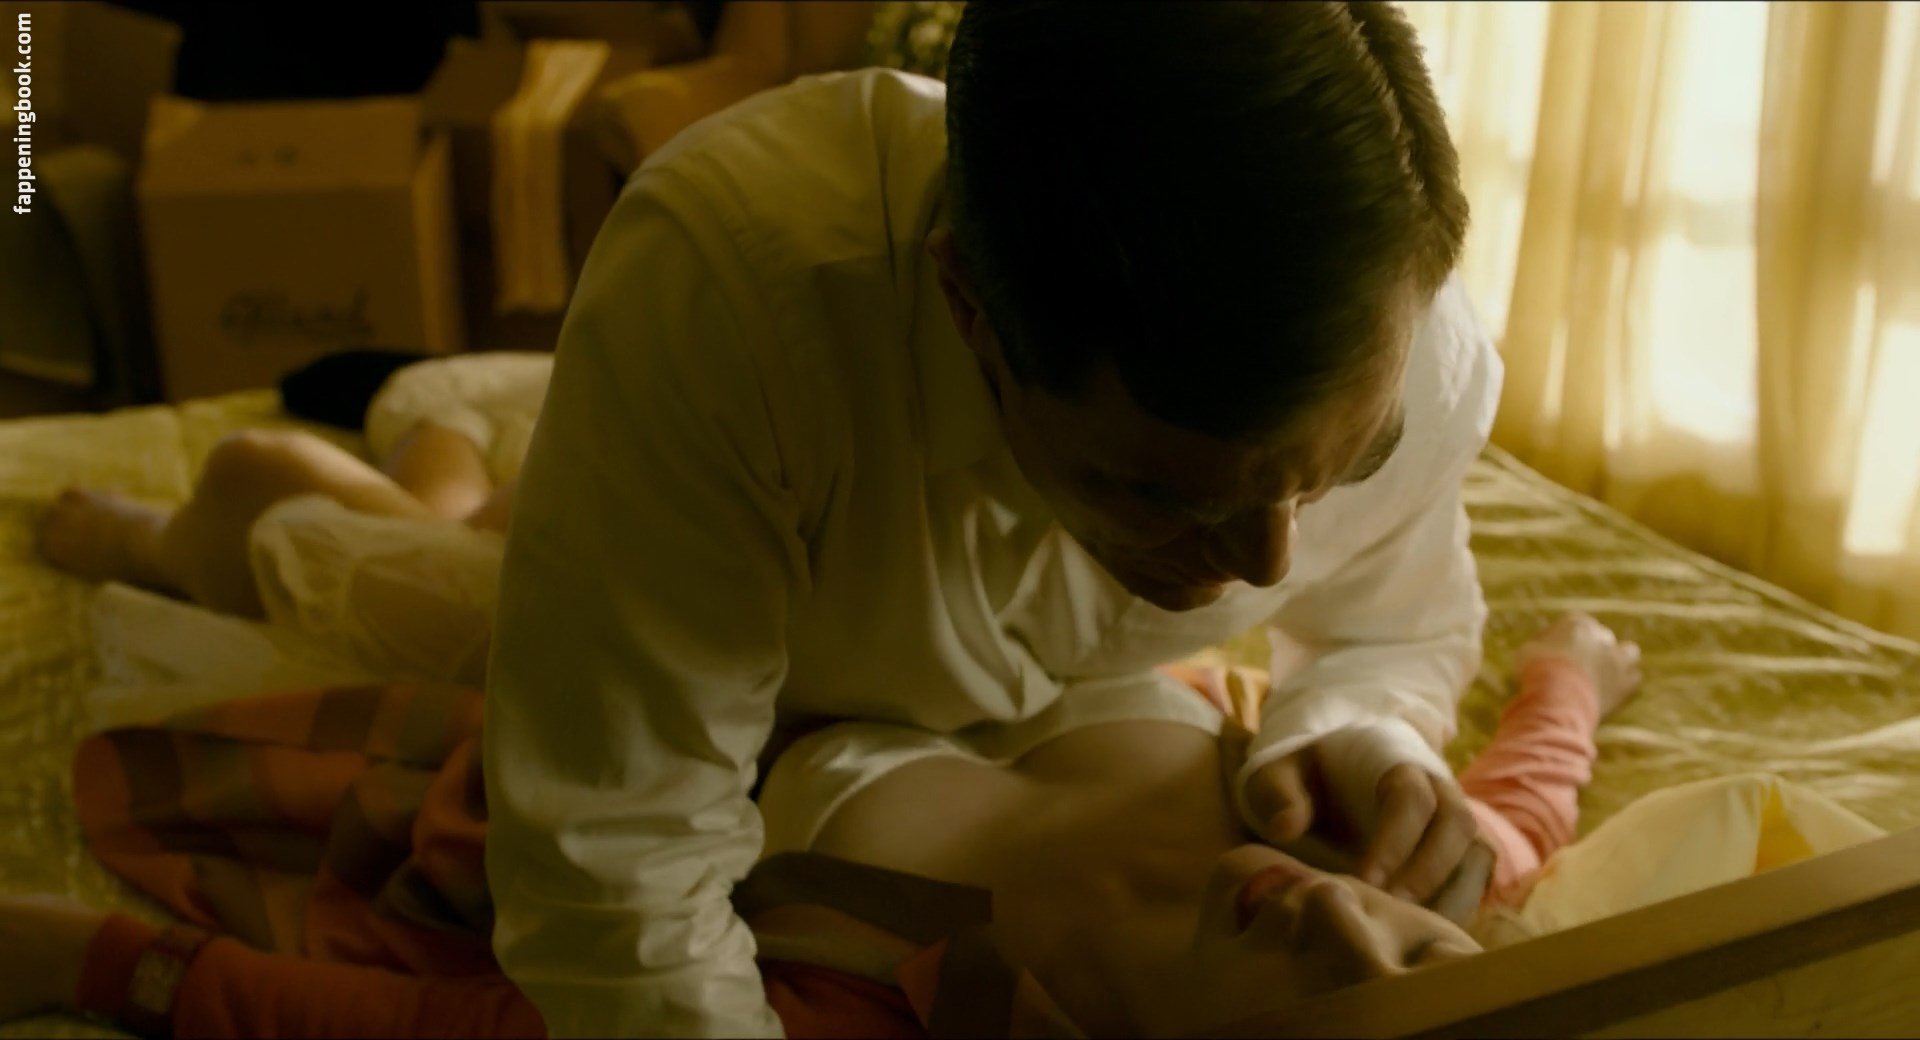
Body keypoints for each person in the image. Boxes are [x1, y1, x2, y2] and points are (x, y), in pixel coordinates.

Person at [481, 2, 1499, 1033]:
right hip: (736, 625)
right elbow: (618, 869)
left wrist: (1360, 727)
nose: (1269, 563)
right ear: (968, 307)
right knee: (456, 538)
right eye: (1167, 496)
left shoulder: (1417, 358)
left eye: (1344, 468)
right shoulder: (732, 300)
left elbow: (1391, 629)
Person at [0, 614, 1639, 1038]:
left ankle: (197, 536)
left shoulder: (881, 1008)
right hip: (845, 545)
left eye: (1330, 1010)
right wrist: (1573, 669)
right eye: (1420, 953)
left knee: (298, 513)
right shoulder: (1401, 849)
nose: (1341, 918)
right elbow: (1526, 804)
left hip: (657, 656)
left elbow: (453, 1031)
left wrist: (103, 964)